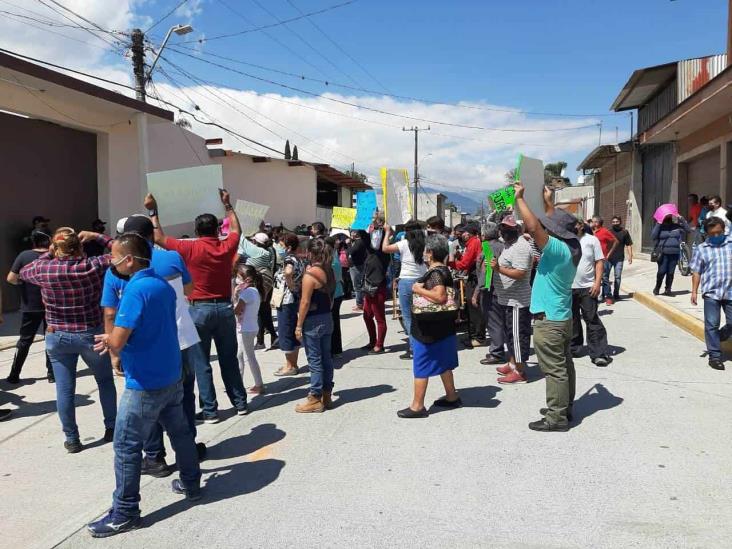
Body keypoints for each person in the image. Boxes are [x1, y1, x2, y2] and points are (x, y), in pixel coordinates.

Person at [87, 233, 201, 538]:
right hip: (170, 374)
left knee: (126, 445)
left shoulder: (135, 290)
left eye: (114, 256)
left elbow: (120, 338)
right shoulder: (162, 285)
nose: (110, 262)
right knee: (181, 433)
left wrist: (109, 340)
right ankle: (191, 484)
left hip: (144, 383)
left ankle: (125, 512)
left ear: (129, 260)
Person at [101, 214, 208, 475]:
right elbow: (190, 290)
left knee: (144, 410)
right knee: (182, 401)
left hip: (138, 349)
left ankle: (154, 456)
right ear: (152, 234)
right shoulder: (170, 258)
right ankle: (188, 456)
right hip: (178, 339)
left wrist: (114, 350)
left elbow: (109, 312)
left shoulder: (119, 271)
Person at [145, 189, 249, 422]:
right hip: (224, 309)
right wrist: (228, 205)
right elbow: (236, 230)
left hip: (198, 310)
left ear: (196, 231)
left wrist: (153, 211)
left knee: (201, 363)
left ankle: (211, 411)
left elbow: (159, 238)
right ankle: (240, 403)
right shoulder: (225, 247)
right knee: (229, 359)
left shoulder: (189, 248)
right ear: (215, 230)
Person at [19, 227, 117, 452]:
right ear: (80, 247)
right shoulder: (92, 266)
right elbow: (122, 254)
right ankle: (111, 427)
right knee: (104, 381)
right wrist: (98, 236)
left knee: (64, 389)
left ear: (55, 249)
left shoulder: (44, 268)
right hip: (89, 333)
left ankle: (72, 439)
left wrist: (48, 253)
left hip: (57, 335)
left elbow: (23, 272)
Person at [514, 181, 581, 432]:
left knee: (554, 371)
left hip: (549, 321)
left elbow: (533, 226)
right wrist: (549, 202)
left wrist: (521, 198)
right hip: (561, 317)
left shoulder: (556, 249)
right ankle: (564, 407)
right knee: (565, 366)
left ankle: (556, 418)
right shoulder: (571, 248)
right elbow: (551, 225)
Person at [398, 234, 460, 418]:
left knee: (421, 365)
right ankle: (451, 396)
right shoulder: (445, 270)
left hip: (427, 330)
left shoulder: (435, 273)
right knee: (444, 363)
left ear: (431, 253)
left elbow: (440, 297)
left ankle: (417, 406)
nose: (424, 254)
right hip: (444, 327)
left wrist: (418, 289)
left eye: (426, 251)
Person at [5, 229, 55, 383]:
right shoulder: (54, 256)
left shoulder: (24, 255)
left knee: (25, 340)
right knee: (51, 339)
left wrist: (23, 283)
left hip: (30, 305)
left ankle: (14, 374)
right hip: (51, 305)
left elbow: (11, 278)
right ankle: (51, 374)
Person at [294, 238, 336, 413]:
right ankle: (327, 394)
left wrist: (298, 325)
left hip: (313, 321)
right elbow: (332, 297)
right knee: (326, 358)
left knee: (315, 360)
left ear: (310, 253)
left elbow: (304, 302)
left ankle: (315, 397)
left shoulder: (310, 275)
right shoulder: (329, 270)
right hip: (327, 317)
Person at [491, 215, 534, 384]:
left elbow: (520, 273)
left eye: (508, 229)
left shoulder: (521, 246)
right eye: (502, 228)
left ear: (516, 229)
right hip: (506, 298)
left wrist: (498, 269)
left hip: (517, 300)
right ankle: (512, 363)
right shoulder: (509, 244)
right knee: (510, 335)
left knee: (518, 336)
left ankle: (520, 372)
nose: (503, 232)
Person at [689, 217, 732, 371]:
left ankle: (720, 336)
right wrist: (694, 291)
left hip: (730, 292)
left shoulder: (731, 244)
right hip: (712, 292)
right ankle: (715, 356)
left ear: (723, 230)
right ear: (706, 233)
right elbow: (696, 271)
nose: (716, 236)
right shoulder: (702, 248)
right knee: (711, 325)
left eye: (719, 233)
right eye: (712, 234)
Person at [382, 221, 427, 360]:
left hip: (407, 281)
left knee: (408, 316)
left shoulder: (404, 244)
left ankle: (414, 348)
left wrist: (387, 233)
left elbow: (385, 248)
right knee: (422, 315)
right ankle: (425, 345)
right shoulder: (427, 244)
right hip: (423, 280)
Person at [571, 222, 612, 366]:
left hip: (588, 287)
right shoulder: (565, 240)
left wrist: (597, 282)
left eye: (575, 224)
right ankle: (574, 348)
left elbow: (599, 262)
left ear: (581, 225)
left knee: (591, 318)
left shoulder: (591, 240)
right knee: (572, 319)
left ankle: (598, 353)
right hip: (568, 287)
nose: (572, 227)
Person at [238, 232, 278, 350]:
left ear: (256, 243)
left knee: (261, 311)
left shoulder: (258, 252)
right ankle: (266, 338)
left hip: (260, 284)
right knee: (263, 311)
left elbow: (242, 240)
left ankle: (264, 340)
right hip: (266, 283)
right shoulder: (268, 251)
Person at [273, 233, 304, 377]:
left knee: (286, 332)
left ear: (289, 247)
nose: (279, 247)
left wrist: (290, 284)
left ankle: (290, 366)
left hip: (286, 299)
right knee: (291, 331)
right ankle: (292, 363)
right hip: (292, 299)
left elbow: (288, 272)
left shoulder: (289, 259)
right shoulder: (298, 258)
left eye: (281, 245)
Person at [476, 223, 506, 367]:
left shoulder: (488, 247)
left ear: (484, 235)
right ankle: (498, 349)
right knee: (499, 321)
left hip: (491, 290)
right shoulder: (502, 246)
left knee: (493, 322)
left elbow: (486, 273)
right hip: (500, 289)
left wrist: (480, 291)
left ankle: (497, 352)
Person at [452, 222, 485, 346]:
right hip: (473, 274)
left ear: (470, 233)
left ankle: (478, 336)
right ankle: (474, 334)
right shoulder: (472, 242)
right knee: (472, 306)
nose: (462, 234)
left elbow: (465, 264)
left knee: (474, 305)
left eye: (464, 232)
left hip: (475, 276)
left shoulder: (474, 243)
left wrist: (452, 262)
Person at [234, 265, 265, 394]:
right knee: (240, 355)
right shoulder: (254, 291)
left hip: (245, 329)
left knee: (248, 357)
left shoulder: (247, 293)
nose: (237, 279)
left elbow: (237, 310)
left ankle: (258, 384)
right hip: (249, 327)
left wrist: (235, 295)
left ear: (247, 279)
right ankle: (238, 382)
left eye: (239, 276)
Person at [362, 227, 389, 354]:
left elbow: (380, 237)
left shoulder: (383, 253)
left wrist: (385, 230)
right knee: (366, 315)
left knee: (379, 317)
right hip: (368, 287)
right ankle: (372, 341)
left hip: (378, 286)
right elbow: (365, 237)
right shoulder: (370, 251)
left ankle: (380, 345)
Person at [651, 213, 689, 296]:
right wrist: (658, 223)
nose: (668, 217)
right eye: (666, 216)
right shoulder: (660, 227)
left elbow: (688, 230)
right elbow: (653, 236)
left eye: (669, 216)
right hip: (663, 253)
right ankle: (657, 287)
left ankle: (668, 289)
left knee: (670, 272)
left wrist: (681, 218)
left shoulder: (676, 226)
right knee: (662, 271)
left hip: (674, 253)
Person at [590, 217, 619, 305]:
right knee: (593, 278)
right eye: (592, 221)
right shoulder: (590, 232)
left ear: (599, 223)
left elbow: (616, 241)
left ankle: (608, 296)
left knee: (604, 278)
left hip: (602, 258)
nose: (592, 223)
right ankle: (595, 296)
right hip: (591, 258)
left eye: (594, 221)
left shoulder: (604, 231)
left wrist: (609, 253)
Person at [325, 237, 345, 358]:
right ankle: (336, 349)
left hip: (333, 293)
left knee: (332, 323)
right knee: (334, 322)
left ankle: (334, 349)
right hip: (337, 292)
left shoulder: (330, 259)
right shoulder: (334, 255)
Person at [606, 216, 633, 301]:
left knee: (617, 277)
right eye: (613, 222)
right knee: (605, 277)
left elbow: (628, 244)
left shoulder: (624, 232)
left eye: (617, 221)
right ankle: (606, 293)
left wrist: (630, 255)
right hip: (608, 258)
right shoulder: (608, 232)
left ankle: (616, 294)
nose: (615, 223)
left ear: (620, 222)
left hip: (619, 258)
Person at [348, 230, 368, 312]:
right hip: (359, 265)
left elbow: (351, 251)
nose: (351, 234)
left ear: (356, 233)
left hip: (356, 266)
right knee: (359, 285)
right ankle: (361, 303)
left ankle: (359, 304)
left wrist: (348, 244)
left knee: (357, 286)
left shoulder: (358, 242)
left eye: (352, 232)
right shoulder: (360, 241)